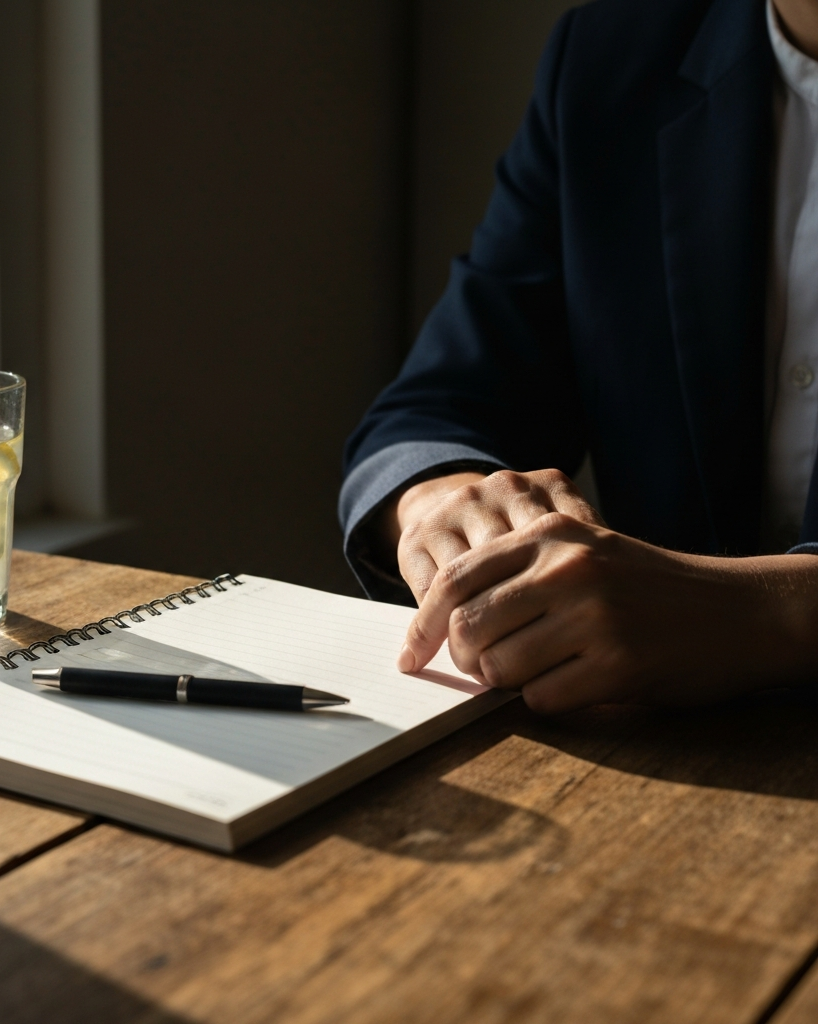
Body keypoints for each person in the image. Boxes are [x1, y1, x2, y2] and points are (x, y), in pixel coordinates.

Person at [340, 0, 818, 714]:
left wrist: (769, 614)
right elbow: (437, 407)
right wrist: (452, 508)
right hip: (650, 748)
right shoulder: (611, 55)